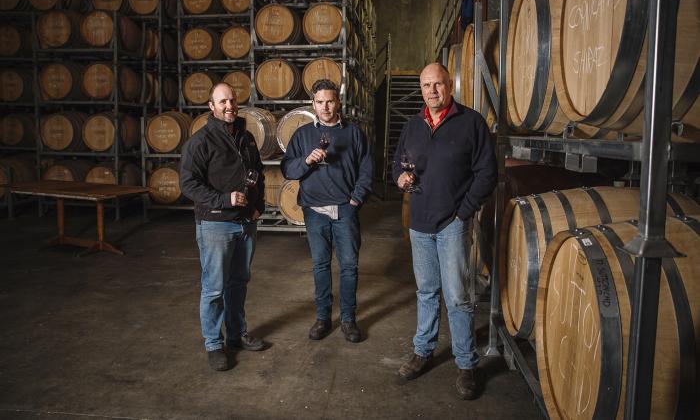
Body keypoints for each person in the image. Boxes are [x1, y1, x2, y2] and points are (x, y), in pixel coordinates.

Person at [392, 63, 496, 399]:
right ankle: (423, 351)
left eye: (438, 84)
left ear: (450, 85)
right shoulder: (413, 125)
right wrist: (400, 178)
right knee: (425, 292)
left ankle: (466, 364)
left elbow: (486, 174)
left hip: (452, 222)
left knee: (457, 296)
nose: (432, 91)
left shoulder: (471, 122)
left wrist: (462, 213)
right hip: (419, 221)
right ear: (421, 89)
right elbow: (398, 162)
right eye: (426, 85)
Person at [180, 82, 266, 371]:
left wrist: (258, 206)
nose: (229, 106)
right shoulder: (200, 142)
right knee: (214, 288)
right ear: (211, 106)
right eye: (222, 101)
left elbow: (259, 173)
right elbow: (188, 184)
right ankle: (214, 344)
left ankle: (236, 334)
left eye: (232, 100)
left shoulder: (246, 136)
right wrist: (223, 199)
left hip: (245, 224)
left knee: (238, 283)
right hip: (216, 223)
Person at [281, 79, 373, 343]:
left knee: (348, 266)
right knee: (320, 265)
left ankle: (348, 319)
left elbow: (367, 169)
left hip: (345, 209)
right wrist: (306, 161)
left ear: (338, 102)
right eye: (320, 102)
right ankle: (322, 318)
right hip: (314, 210)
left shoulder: (354, 133)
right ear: (313, 104)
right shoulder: (303, 134)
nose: (325, 107)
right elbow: (288, 169)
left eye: (330, 101)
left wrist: (356, 199)